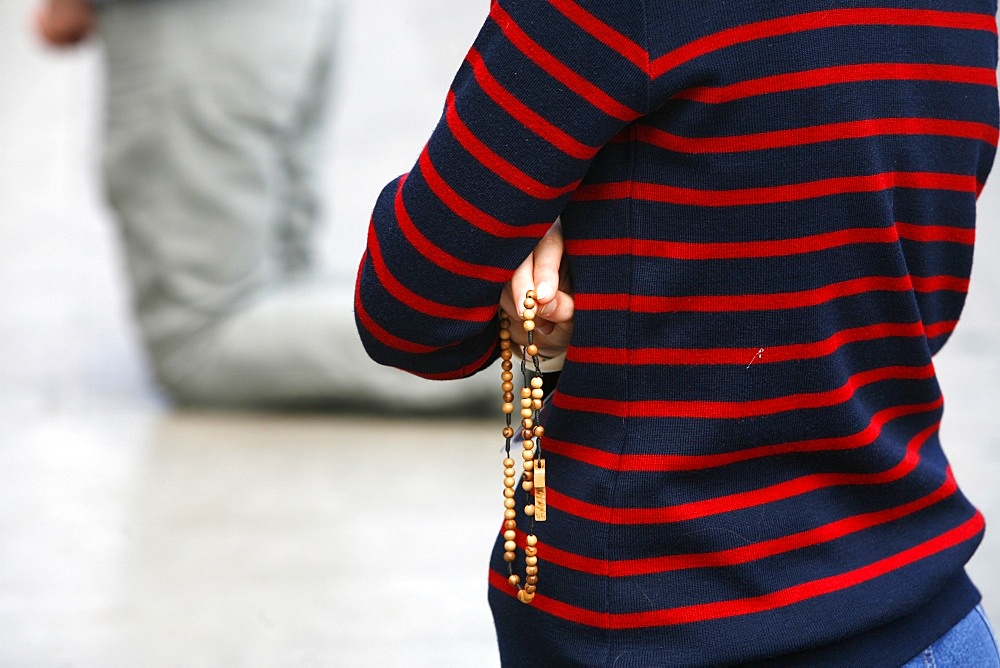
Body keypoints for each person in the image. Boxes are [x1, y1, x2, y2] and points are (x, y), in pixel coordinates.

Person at [354, 0, 1000, 664]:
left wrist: (537, 218)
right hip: (926, 616)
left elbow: (405, 305)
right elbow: (895, 286)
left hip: (660, 620)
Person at [33, 0, 500, 411]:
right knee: (282, 284)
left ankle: (534, 354)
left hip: (197, 19)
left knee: (205, 337)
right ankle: (535, 334)